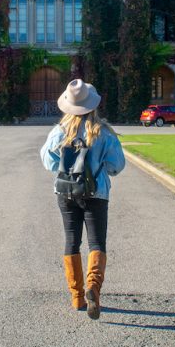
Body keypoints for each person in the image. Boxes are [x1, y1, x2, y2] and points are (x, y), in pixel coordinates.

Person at [40, 79, 125, 320]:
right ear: (93, 106)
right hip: (96, 193)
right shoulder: (104, 132)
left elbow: (48, 162)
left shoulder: (59, 131)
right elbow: (117, 166)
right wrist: (98, 167)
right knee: (96, 243)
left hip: (66, 192)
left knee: (71, 241)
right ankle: (94, 289)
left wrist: (67, 165)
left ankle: (77, 296)